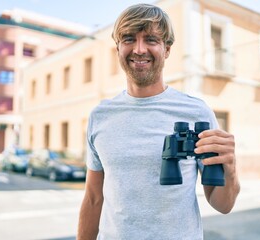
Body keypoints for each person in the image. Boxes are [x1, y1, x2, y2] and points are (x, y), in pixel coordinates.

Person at [77, 3, 240, 240]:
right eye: (129, 39)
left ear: (167, 49)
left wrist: (231, 169)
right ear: (118, 48)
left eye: (151, 39)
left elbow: (223, 205)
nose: (139, 49)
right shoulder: (100, 116)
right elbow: (93, 198)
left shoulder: (197, 112)